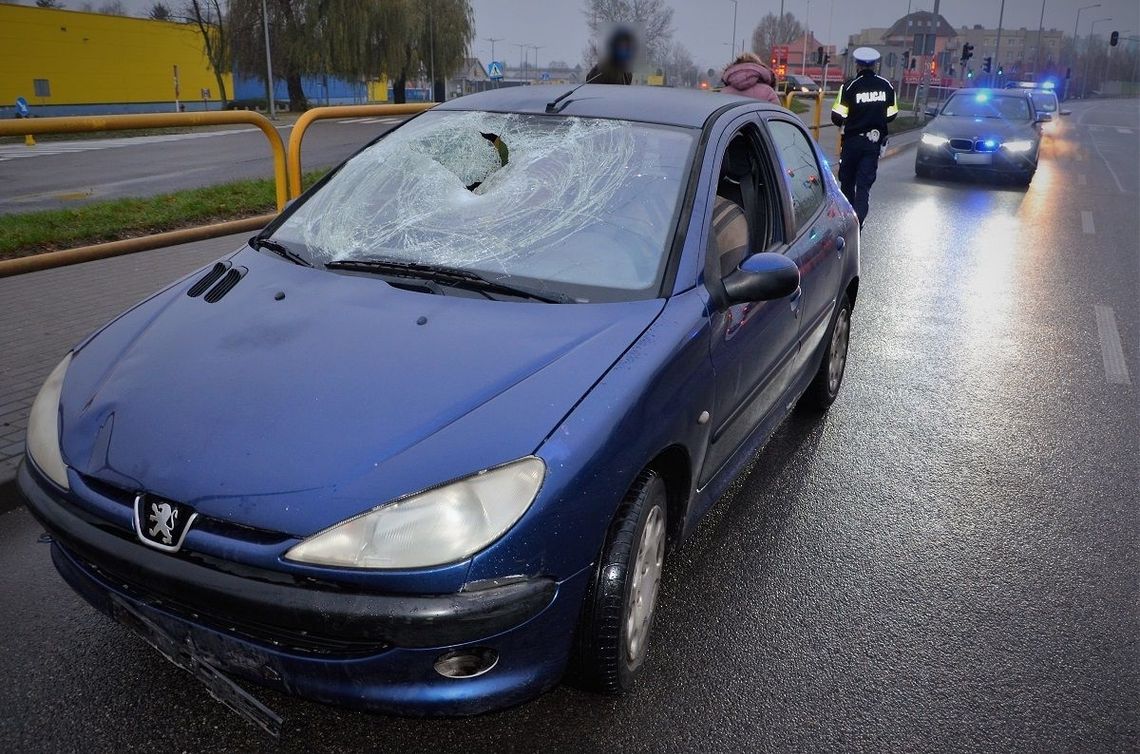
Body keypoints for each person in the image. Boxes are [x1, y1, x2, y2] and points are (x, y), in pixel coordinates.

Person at [831, 47, 898, 228]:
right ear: (875, 65)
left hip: (852, 142)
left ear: (857, 65)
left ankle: (847, 222)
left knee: (847, 182)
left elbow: (836, 117)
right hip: (873, 144)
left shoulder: (849, 86)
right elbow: (892, 114)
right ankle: (857, 223)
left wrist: (854, 118)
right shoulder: (886, 86)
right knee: (863, 187)